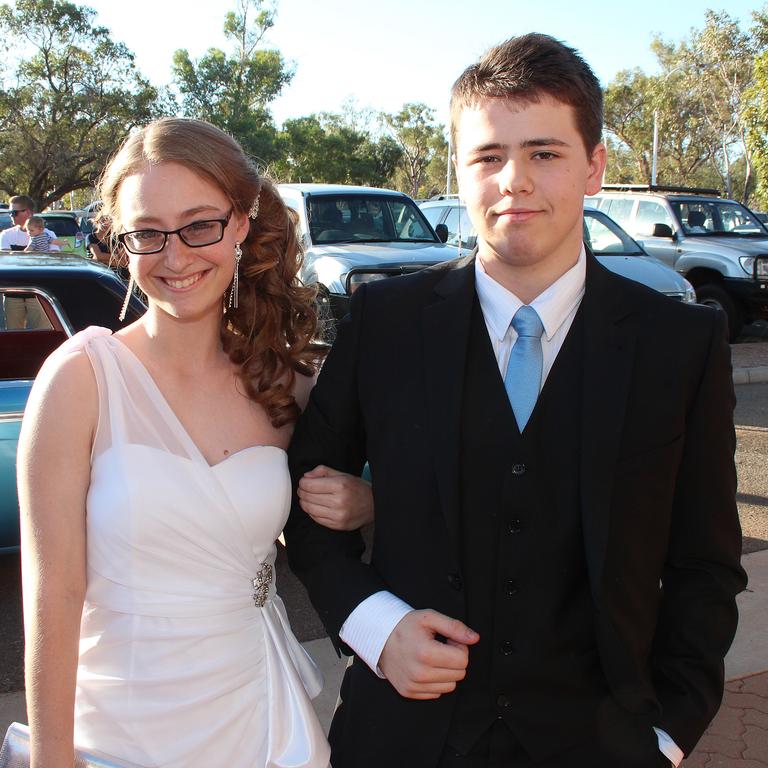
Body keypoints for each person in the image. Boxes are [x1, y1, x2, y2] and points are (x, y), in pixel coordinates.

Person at [285, 33, 747, 768]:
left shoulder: (679, 343)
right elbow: (303, 505)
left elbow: (706, 562)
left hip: (602, 741)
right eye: (488, 156)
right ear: (461, 172)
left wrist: (669, 734)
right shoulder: (387, 323)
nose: (514, 182)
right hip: (403, 738)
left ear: (594, 166)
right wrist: (374, 625)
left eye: (545, 153)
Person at [18, 117, 373, 768]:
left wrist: (368, 503)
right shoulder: (80, 379)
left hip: (258, 720)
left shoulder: (286, 386)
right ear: (121, 242)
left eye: (199, 224)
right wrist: (51, 759)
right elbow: (53, 592)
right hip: (120, 730)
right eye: (147, 233)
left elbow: (337, 526)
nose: (175, 256)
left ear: (241, 224)